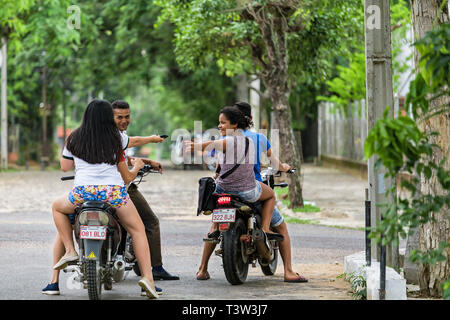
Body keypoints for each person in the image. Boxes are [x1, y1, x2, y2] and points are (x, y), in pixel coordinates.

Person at [47, 99, 160, 299]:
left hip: (82, 194)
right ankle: (148, 279)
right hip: (112, 194)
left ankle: (71, 250)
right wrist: (137, 167)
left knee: (57, 208)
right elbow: (126, 177)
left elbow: (65, 168)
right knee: (138, 229)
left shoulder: (73, 138)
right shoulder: (117, 138)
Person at [234, 101, 307, 283]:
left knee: (215, 225)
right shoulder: (259, 138)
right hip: (252, 189)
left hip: (228, 190)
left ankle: (202, 268)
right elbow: (276, 165)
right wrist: (284, 167)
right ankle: (288, 271)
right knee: (281, 226)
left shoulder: (226, 140)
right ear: (250, 119)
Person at [112, 100, 180, 283]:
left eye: (127, 116)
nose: (124, 120)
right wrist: (153, 139)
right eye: (119, 117)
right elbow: (132, 144)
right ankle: (155, 268)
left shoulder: (94, 135)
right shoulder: (115, 135)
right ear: (109, 117)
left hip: (95, 190)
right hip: (120, 188)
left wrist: (146, 162)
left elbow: (120, 157)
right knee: (150, 222)